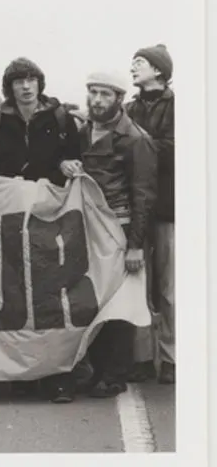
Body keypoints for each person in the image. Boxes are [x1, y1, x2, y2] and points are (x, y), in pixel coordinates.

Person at [0, 57, 82, 403]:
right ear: (10, 86)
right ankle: (23, 374)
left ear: (40, 83)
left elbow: (75, 161)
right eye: (19, 80)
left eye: (31, 79)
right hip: (10, 221)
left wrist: (67, 164)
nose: (26, 86)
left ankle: (56, 376)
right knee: (16, 295)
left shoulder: (61, 119)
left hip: (50, 221)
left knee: (50, 297)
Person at [70, 72, 157, 398]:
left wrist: (135, 245)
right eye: (92, 92)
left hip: (120, 230)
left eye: (105, 94)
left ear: (119, 99)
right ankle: (96, 371)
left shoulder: (136, 139)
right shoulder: (81, 133)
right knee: (94, 300)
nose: (97, 100)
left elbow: (144, 196)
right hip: (88, 229)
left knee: (119, 305)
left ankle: (114, 374)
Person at [126, 44, 175, 385]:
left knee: (169, 288)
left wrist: (141, 145)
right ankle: (142, 358)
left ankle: (170, 357)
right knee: (138, 285)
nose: (133, 67)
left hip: (169, 207)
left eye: (140, 62)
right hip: (136, 208)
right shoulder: (128, 108)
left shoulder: (179, 106)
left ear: (158, 70)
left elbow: (175, 149)